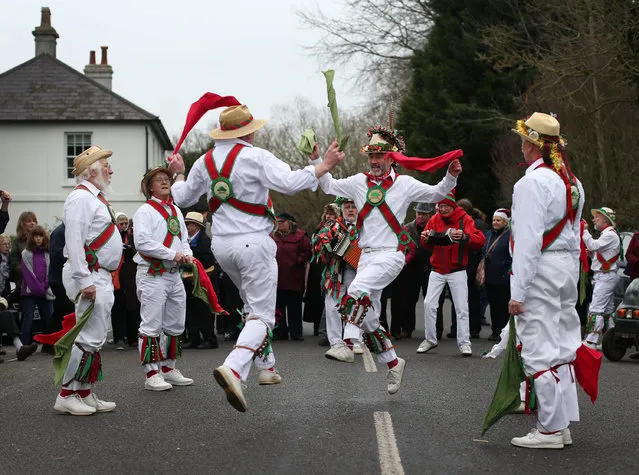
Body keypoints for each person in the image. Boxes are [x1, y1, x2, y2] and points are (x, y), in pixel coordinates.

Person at [169, 102, 344, 411]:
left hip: (222, 247)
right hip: (253, 244)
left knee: (252, 305)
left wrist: (178, 174)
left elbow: (181, 197)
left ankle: (267, 366)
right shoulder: (255, 156)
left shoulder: (204, 161)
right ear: (247, 134)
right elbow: (290, 182)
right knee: (263, 314)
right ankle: (235, 367)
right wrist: (324, 165)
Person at [316, 125, 461, 394]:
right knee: (370, 319)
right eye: (371, 156)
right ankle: (394, 362)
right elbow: (327, 186)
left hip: (391, 255)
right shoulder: (358, 182)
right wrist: (318, 160)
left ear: (391, 157)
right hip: (364, 257)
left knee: (356, 290)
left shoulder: (404, 185)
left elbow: (436, 193)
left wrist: (450, 177)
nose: (374, 161)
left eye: (380, 155)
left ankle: (348, 344)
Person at [507, 112, 585, 448]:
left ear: (531, 144)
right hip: (567, 269)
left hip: (541, 269)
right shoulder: (573, 182)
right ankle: (562, 424)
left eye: (523, 140)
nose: (521, 146)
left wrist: (517, 291)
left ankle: (550, 430)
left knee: (538, 346)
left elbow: (527, 241)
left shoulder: (531, 183)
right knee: (563, 344)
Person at [55, 145, 123, 416]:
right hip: (90, 275)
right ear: (92, 171)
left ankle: (84, 392)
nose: (111, 170)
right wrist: (84, 280)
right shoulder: (81, 199)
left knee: (95, 338)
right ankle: (66, 394)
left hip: (99, 275)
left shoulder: (94, 198)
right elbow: (73, 241)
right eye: (106, 165)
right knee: (87, 337)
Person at [133, 167, 194, 391]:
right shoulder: (144, 212)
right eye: (159, 180)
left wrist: (188, 255)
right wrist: (172, 254)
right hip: (152, 273)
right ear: (150, 186)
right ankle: (151, 373)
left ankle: (168, 368)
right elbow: (143, 242)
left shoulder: (176, 211)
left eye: (167, 179)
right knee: (151, 324)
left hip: (174, 274)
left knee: (176, 322)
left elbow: (184, 239)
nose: (165, 182)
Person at [418, 191, 486, 356]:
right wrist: (425, 238)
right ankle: (430, 339)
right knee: (428, 304)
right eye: (440, 206)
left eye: (446, 206)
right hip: (437, 269)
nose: (443, 209)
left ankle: (464, 343)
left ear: (452, 206)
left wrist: (465, 236)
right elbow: (425, 244)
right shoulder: (434, 219)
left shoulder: (465, 219)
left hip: (457, 270)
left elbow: (480, 240)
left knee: (461, 307)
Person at [313, 197, 362, 361]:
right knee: (333, 306)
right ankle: (336, 343)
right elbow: (318, 242)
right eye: (347, 207)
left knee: (357, 303)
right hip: (336, 272)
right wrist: (329, 244)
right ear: (342, 209)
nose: (350, 210)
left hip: (360, 271)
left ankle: (355, 340)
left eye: (353, 207)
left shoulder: (366, 226)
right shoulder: (334, 226)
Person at [391, 202, 435, 340]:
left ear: (429, 215)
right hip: (411, 268)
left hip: (430, 266)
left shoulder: (433, 227)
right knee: (408, 299)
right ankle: (407, 328)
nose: (420, 216)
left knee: (432, 300)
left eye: (424, 214)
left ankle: (435, 330)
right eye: (418, 213)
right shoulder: (408, 228)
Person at [582, 207, 622, 348]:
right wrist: (592, 256)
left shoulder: (609, 235)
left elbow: (593, 245)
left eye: (596, 217)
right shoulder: (609, 234)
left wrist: (585, 231)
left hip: (605, 277)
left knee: (596, 309)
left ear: (605, 220)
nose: (593, 220)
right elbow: (604, 254)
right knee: (607, 310)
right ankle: (610, 340)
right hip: (605, 276)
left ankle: (591, 340)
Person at [272, 212, 312, 341]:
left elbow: (308, 252)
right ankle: (279, 331)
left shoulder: (300, 236)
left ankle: (296, 332)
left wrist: (297, 260)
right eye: (277, 222)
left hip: (294, 276)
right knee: (278, 305)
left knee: (294, 306)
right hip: (277, 277)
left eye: (282, 222)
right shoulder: (272, 236)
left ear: (290, 223)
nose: (279, 225)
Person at [183, 211, 218, 349]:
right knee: (190, 309)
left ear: (195, 226)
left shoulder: (204, 241)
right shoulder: (187, 241)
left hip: (203, 281)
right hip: (189, 280)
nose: (186, 228)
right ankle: (194, 337)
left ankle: (209, 338)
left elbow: (207, 261)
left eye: (188, 225)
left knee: (204, 310)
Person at [20, 225, 53, 345]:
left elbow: (50, 272)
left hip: (46, 290)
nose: (38, 239)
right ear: (31, 238)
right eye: (35, 236)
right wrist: (40, 288)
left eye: (40, 236)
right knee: (28, 318)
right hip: (30, 292)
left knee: (49, 317)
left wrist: (45, 286)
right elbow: (28, 275)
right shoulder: (26, 253)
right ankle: (24, 345)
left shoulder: (48, 253)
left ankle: (49, 344)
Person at [483, 208, 512, 340]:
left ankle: (504, 332)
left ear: (505, 222)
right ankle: (495, 330)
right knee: (493, 305)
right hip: (490, 275)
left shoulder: (510, 235)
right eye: (494, 220)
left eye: (498, 220)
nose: (495, 222)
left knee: (503, 305)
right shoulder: (488, 234)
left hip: (504, 276)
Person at [9, 211, 38, 297]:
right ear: (22, 224)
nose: (32, 223)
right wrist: (27, 272)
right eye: (29, 221)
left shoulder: (43, 239)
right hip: (24, 283)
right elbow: (14, 262)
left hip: (42, 283)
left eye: (34, 220)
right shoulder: (17, 242)